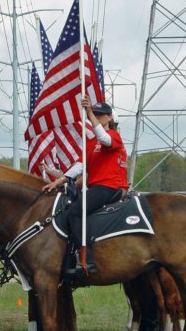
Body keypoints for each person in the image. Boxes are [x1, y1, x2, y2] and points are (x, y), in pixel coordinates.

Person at [43, 97, 129, 276]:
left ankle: (87, 260)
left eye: (100, 115)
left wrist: (89, 113)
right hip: (97, 187)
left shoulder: (114, 137)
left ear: (110, 117)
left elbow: (104, 138)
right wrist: (57, 181)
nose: (97, 117)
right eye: (95, 114)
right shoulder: (90, 143)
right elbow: (80, 167)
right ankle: (68, 256)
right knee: (66, 208)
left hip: (110, 186)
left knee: (74, 211)